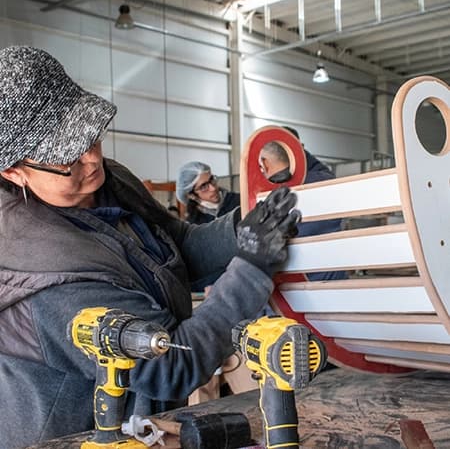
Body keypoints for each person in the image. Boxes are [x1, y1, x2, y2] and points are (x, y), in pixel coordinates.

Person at [0, 46, 300, 449]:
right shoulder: (39, 270)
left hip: (142, 424)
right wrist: (252, 268)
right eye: (65, 157)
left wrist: (245, 229)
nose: (90, 160)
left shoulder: (106, 183)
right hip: (70, 438)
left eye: (91, 137)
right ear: (13, 170)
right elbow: (170, 365)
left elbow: (178, 249)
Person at [259, 126, 347, 281]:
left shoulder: (267, 197)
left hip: (290, 293)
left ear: (265, 163)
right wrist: (298, 152)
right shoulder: (327, 183)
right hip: (334, 285)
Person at [176, 161, 240, 225]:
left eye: (211, 179)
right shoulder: (195, 224)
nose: (213, 188)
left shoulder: (238, 201)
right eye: (203, 186)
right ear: (191, 195)